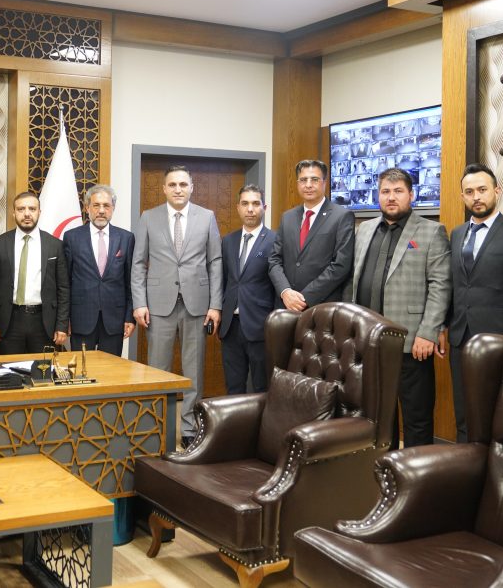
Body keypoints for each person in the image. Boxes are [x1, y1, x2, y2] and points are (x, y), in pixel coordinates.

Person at [345, 167, 450, 448]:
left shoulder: (431, 231)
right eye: (385, 192)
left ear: (411, 195)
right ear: (378, 196)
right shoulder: (364, 230)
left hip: (412, 341)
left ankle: (416, 473)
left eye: (398, 191)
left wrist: (428, 332)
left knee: (416, 417)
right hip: (369, 341)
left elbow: (440, 285)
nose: (391, 197)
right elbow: (354, 279)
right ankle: (384, 468)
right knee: (380, 417)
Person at [438, 163, 503, 442]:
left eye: (482, 190)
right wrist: (444, 326)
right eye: (469, 192)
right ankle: (464, 462)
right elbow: (455, 285)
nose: (476, 197)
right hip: (461, 337)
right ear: (462, 197)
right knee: (464, 411)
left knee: (499, 413)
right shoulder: (457, 234)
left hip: (501, 339)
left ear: (497, 191)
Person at [132, 165, 222, 448]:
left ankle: (189, 428)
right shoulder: (148, 217)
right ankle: (155, 426)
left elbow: (215, 262)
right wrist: (139, 302)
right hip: (158, 306)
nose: (178, 189)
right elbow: (138, 263)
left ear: (192, 187)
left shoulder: (207, 217)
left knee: (193, 371)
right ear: (164, 189)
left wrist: (215, 305)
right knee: (157, 370)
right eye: (172, 184)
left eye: (183, 184)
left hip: (197, 305)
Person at [0, 192, 69, 354]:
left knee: (42, 368)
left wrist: (62, 325)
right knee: (11, 369)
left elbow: (63, 288)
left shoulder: (55, 245)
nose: (26, 213)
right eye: (21, 209)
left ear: (39, 212)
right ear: (13, 213)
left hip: (44, 322)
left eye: (32, 209)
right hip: (9, 322)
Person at [269, 159, 354, 312]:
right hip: (285, 306)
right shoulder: (287, 217)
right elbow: (274, 260)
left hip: (321, 307)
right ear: (297, 184)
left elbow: (341, 265)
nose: (308, 185)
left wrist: (305, 297)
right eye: (303, 180)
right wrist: (285, 291)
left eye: (314, 179)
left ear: (324, 183)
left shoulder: (342, 216)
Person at [63, 184, 134, 357]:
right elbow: (65, 282)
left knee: (110, 369)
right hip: (81, 318)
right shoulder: (72, 237)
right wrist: (65, 319)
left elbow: (131, 282)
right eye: (96, 205)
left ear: (113, 208)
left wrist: (129, 317)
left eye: (106, 206)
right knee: (81, 368)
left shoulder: (126, 238)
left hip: (114, 319)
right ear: (87, 208)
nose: (101, 211)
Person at [220, 184, 276, 393]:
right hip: (230, 327)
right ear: (238, 207)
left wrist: (276, 324)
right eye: (245, 204)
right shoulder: (228, 241)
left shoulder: (275, 240)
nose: (250, 209)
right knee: (233, 387)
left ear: (264, 207)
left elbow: (277, 285)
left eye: (255, 203)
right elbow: (224, 280)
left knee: (262, 387)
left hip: (260, 326)